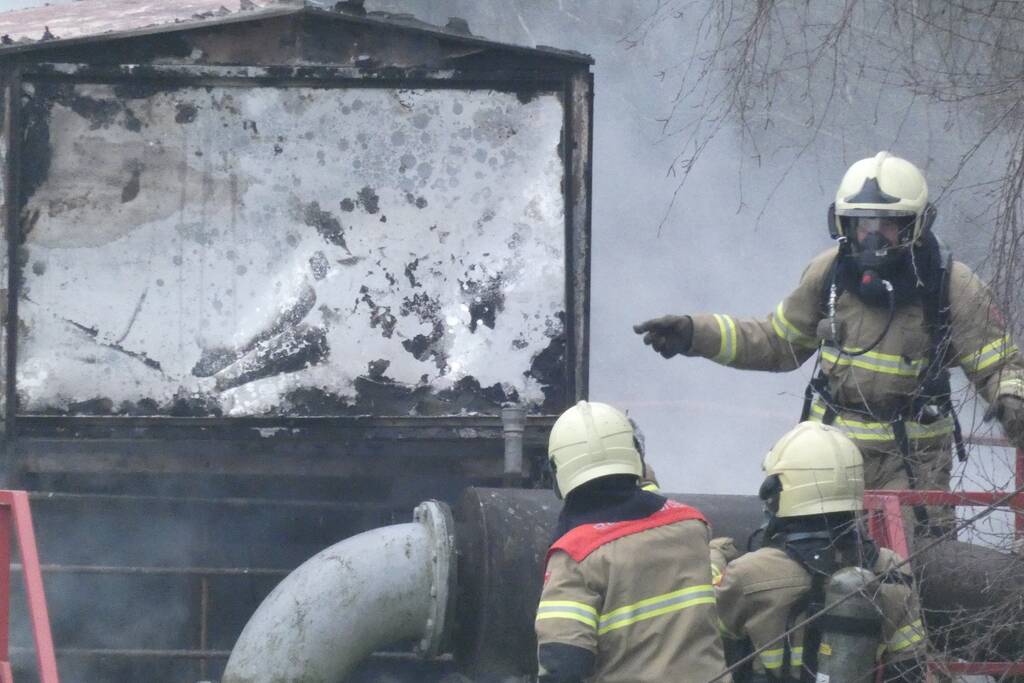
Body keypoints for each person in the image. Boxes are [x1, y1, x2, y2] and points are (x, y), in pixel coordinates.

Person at [634, 151, 1024, 537]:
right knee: (806, 557)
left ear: (915, 226)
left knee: (907, 572)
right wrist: (694, 333)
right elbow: (776, 341)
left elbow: (1000, 364)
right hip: (829, 456)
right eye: (861, 223)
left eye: (885, 225)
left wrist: (1011, 399)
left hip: (910, 466)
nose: (871, 236)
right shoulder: (829, 274)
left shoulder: (951, 285)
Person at [712, 422, 927, 682]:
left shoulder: (747, 573)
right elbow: (909, 667)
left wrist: (714, 557)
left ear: (786, 491)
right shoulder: (891, 568)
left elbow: (708, 639)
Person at [535, 400, 729, 682]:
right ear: (636, 454)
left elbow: (564, 665)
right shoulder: (692, 525)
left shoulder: (576, 557)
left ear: (557, 472)